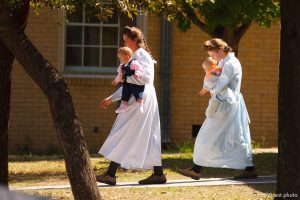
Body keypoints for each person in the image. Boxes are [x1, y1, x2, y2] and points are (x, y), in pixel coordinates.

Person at [96, 26, 167, 185]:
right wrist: (111, 97)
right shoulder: (136, 55)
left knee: (124, 131)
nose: (125, 43)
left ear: (135, 40)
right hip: (140, 96)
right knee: (148, 134)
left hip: (140, 98)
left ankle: (110, 173)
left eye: (126, 40)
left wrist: (126, 76)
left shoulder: (141, 55)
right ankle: (158, 173)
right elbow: (130, 83)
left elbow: (145, 79)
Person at [178, 38, 258, 180]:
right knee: (233, 136)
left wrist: (208, 85)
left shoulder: (230, 63)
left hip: (226, 104)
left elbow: (220, 84)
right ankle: (249, 168)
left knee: (208, 135)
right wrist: (209, 83)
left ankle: (197, 169)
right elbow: (215, 81)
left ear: (220, 51)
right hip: (226, 103)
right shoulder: (224, 62)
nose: (212, 58)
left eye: (213, 55)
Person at [112, 47, 145, 113]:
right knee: (125, 94)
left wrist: (137, 73)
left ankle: (141, 105)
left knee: (138, 93)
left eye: (121, 58)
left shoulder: (134, 63)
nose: (120, 59)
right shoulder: (122, 66)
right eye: (119, 58)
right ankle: (122, 107)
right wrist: (116, 80)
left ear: (127, 56)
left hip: (135, 82)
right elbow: (120, 75)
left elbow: (140, 69)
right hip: (127, 83)